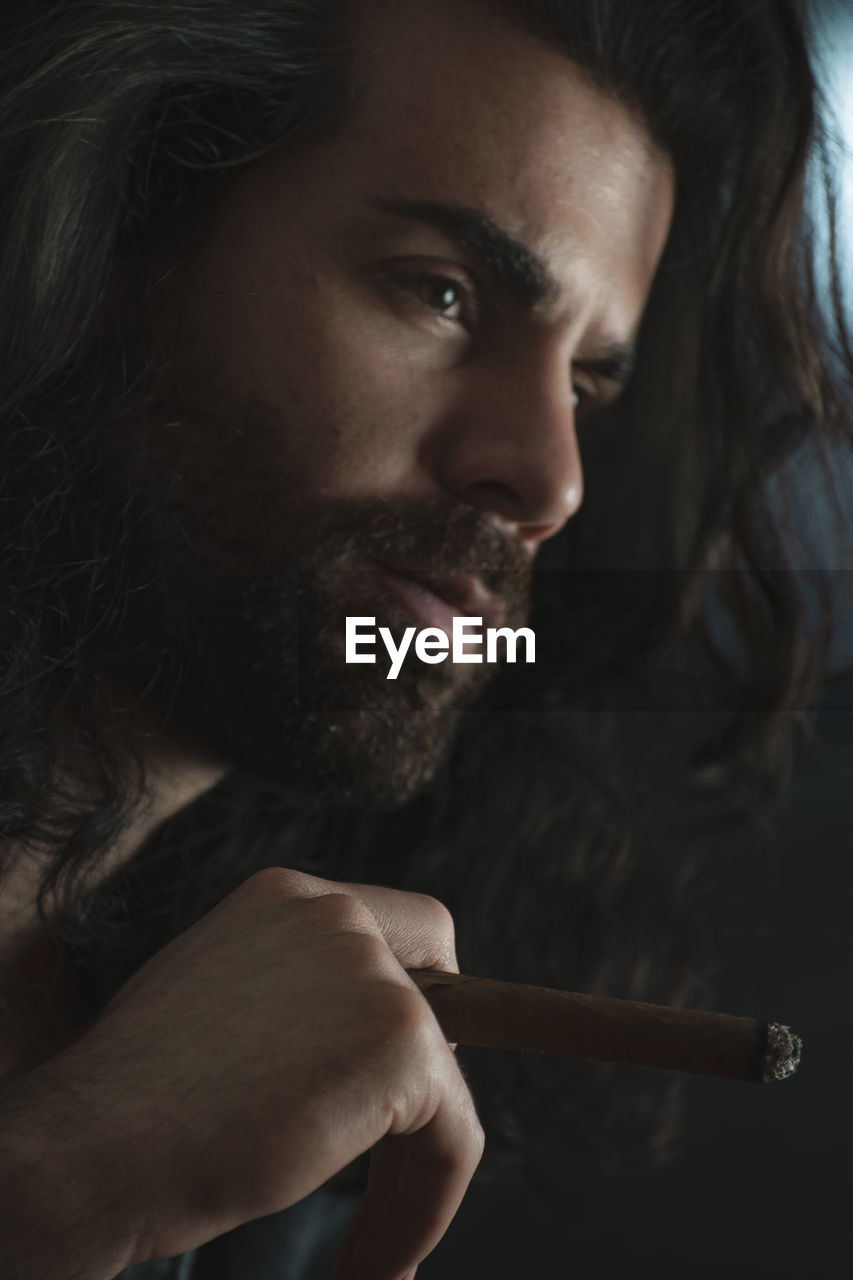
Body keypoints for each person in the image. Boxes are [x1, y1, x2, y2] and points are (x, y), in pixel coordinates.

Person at [0, 1, 849, 1277]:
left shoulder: (280, 1102)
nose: (547, 479)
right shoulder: (128, 1130)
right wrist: (56, 1194)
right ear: (125, 235)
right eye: (441, 293)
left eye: (584, 384)